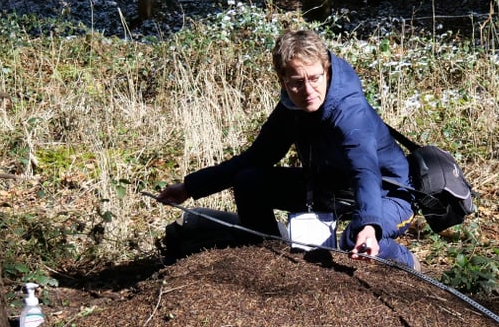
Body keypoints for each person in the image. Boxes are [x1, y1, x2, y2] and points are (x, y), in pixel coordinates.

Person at [157, 28, 420, 270]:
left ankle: (407, 263)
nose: (308, 90)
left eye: (315, 78)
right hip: (330, 188)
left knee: (356, 238)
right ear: (282, 81)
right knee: (250, 181)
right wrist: (189, 188)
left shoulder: (350, 112)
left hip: (388, 194)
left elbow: (365, 173)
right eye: (296, 82)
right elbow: (255, 158)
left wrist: (369, 225)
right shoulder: (290, 110)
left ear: (326, 71)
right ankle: (269, 256)